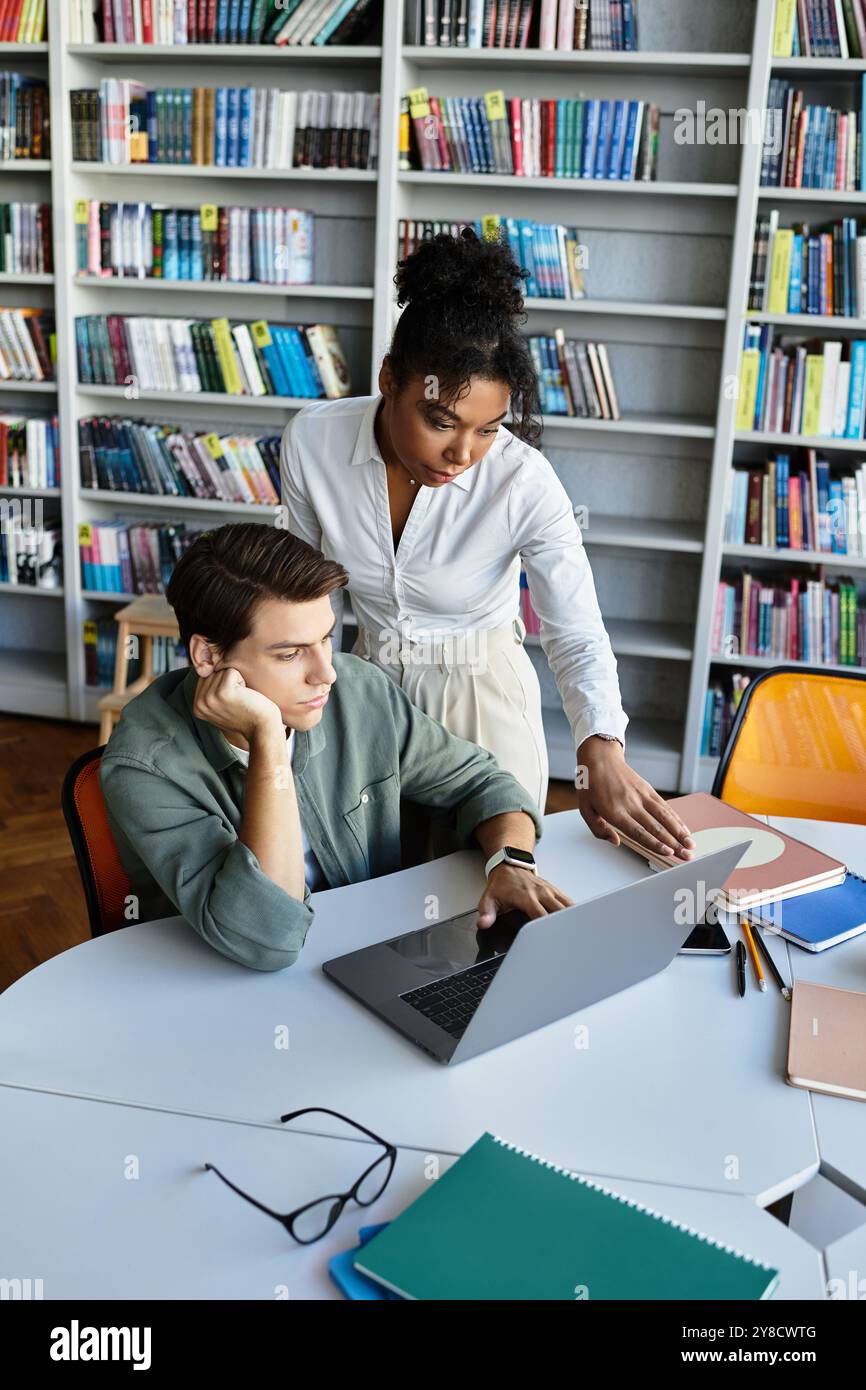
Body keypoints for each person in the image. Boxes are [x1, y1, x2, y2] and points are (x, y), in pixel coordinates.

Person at [280, 229, 695, 863]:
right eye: (440, 420)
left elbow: (576, 629)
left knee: (482, 899)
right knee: (358, 892)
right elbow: (299, 598)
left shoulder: (522, 480)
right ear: (391, 378)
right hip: (361, 698)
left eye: (487, 429)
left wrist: (600, 746)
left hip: (481, 701)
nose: (462, 454)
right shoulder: (313, 443)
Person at [100, 523, 574, 972]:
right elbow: (265, 940)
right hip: (218, 990)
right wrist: (268, 739)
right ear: (208, 656)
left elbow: (482, 782)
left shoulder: (358, 690)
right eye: (290, 654)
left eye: (326, 638)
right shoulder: (145, 765)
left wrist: (510, 862)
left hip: (366, 958)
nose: (325, 672)